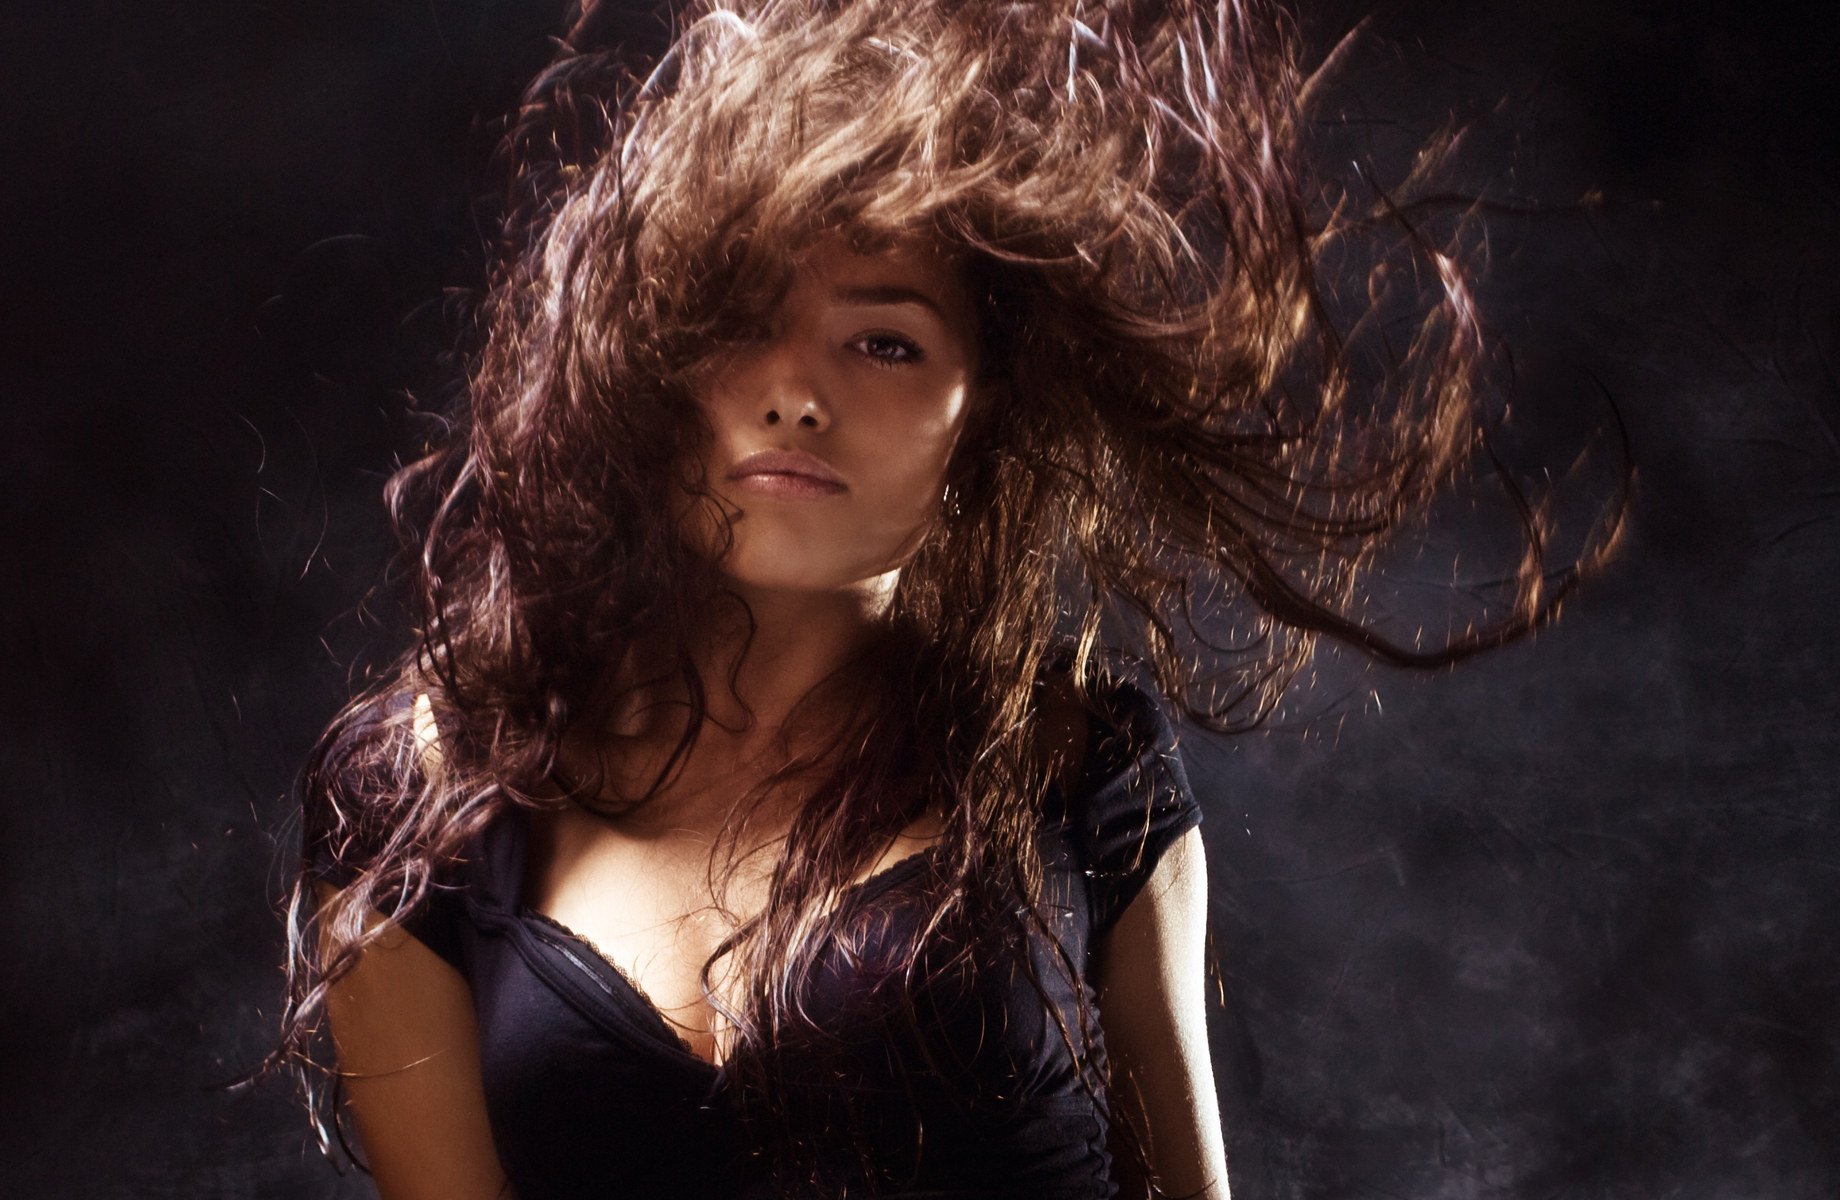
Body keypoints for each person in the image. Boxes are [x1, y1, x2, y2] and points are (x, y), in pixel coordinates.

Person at [268, 1, 1620, 1197]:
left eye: (884, 340)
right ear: (651, 353)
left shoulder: (1082, 769)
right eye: (741, 317)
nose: (796, 389)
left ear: (986, 422)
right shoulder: (412, 802)